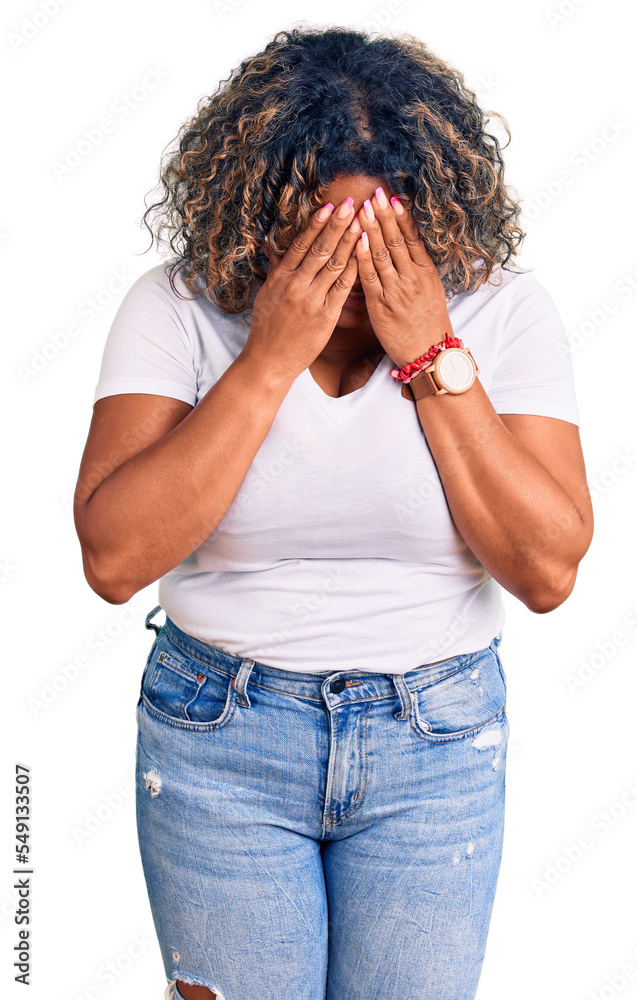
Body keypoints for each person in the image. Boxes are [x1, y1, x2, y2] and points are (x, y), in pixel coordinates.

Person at [73, 26, 594, 1000]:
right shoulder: (179, 305)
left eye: (384, 234)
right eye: (319, 236)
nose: (353, 270)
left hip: (432, 737)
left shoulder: (501, 311)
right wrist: (268, 358)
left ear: (435, 214)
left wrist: (433, 355)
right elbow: (113, 558)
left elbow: (547, 571)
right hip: (219, 732)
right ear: (257, 216)